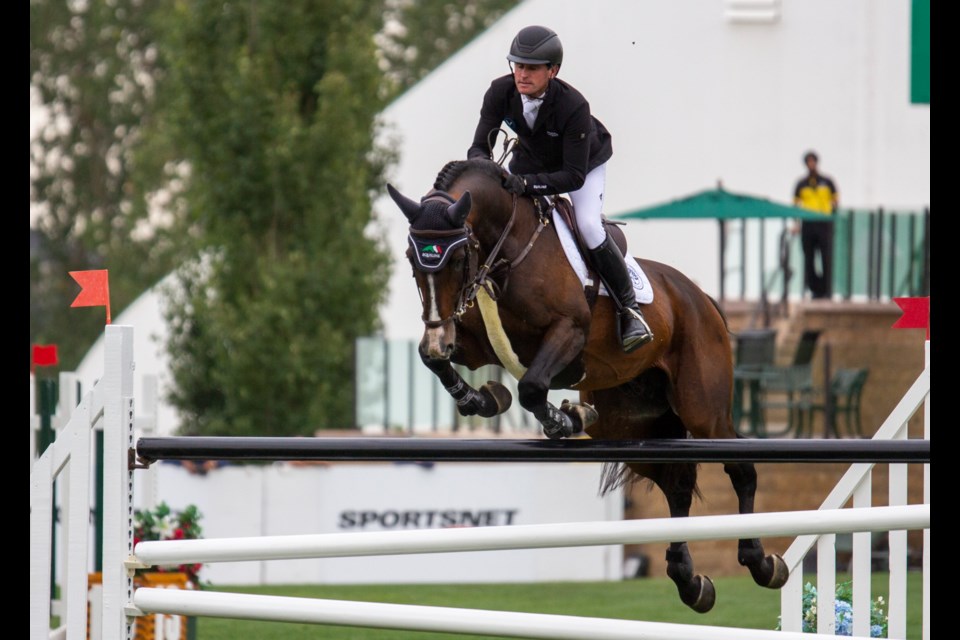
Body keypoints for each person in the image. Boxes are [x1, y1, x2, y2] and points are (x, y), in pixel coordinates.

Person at [466, 25, 653, 353]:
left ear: (553, 71)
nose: (522, 75)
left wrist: (526, 184)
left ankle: (629, 310)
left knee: (589, 226)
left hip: (582, 166)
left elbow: (571, 177)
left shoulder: (573, 106)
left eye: (532, 68)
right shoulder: (499, 92)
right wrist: (487, 175)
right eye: (518, 66)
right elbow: (479, 148)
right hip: (531, 160)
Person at [792, 150, 839, 300]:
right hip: (808, 223)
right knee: (809, 258)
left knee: (826, 257)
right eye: (808, 162)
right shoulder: (801, 184)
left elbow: (835, 201)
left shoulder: (827, 182)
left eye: (813, 161)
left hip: (824, 223)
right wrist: (796, 223)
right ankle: (814, 289)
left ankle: (826, 289)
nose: (811, 164)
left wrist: (832, 217)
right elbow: (795, 205)